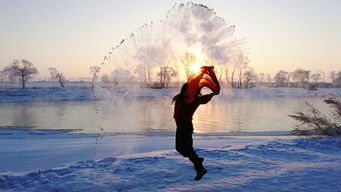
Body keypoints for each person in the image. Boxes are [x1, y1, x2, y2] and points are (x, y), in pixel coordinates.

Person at [173, 83, 219, 180]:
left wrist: (212, 94)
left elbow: (204, 99)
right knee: (182, 149)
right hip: (181, 126)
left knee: (184, 149)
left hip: (185, 126)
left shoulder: (193, 99)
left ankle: (199, 168)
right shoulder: (182, 98)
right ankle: (197, 160)